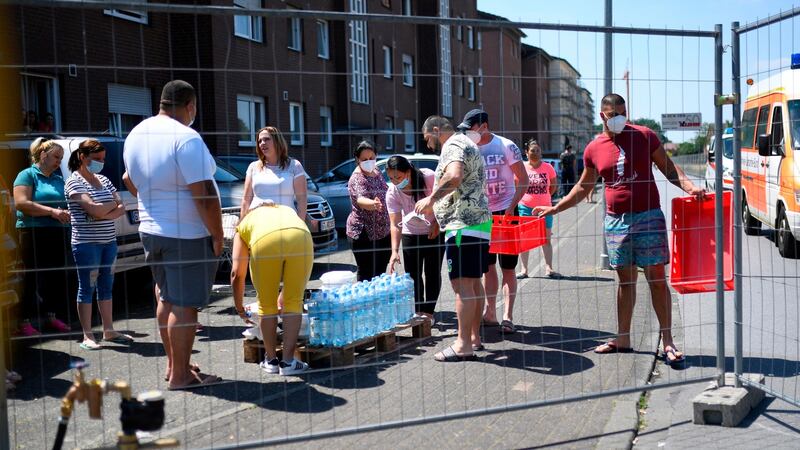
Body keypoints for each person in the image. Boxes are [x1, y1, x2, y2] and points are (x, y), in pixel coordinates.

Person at [534, 93, 703, 366]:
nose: (620, 119)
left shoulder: (645, 135)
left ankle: (668, 341)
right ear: (602, 116)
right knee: (625, 282)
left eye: (623, 113)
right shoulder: (593, 148)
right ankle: (623, 338)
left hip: (648, 216)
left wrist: (689, 187)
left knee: (657, 279)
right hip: (616, 221)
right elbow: (582, 187)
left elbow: (669, 168)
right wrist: (555, 208)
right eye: (614, 115)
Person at [123, 80, 223, 389]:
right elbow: (204, 193)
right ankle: (181, 376)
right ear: (190, 106)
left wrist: (154, 203)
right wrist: (217, 235)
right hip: (186, 235)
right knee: (185, 306)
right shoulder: (186, 138)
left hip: (151, 230)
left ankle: (174, 365)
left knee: (166, 298)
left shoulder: (137, 134)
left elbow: (129, 179)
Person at [415, 116, 491, 362]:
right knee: (474, 283)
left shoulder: (453, 145)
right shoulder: (468, 143)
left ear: (436, 130)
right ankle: (474, 338)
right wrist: (439, 219)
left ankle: (462, 345)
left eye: (428, 138)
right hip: (478, 223)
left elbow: (455, 176)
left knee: (462, 286)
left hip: (462, 226)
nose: (428, 145)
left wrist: (431, 199)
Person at [459, 109, 529, 334]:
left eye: (470, 128)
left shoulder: (506, 146)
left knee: (508, 267)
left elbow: (523, 179)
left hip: (506, 212)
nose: (468, 133)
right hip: (481, 216)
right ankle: (490, 313)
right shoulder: (468, 148)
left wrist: (511, 207)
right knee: (487, 267)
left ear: (483, 126)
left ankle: (508, 317)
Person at [65, 139, 133, 350]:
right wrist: (107, 208)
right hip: (86, 243)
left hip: (108, 241)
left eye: (103, 159)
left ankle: (109, 330)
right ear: (83, 157)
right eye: (96, 159)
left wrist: (102, 210)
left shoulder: (103, 179)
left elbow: (120, 207)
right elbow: (95, 210)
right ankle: (87, 335)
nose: (101, 163)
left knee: (106, 286)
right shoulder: (73, 182)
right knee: (87, 286)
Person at [231, 202, 312, 376]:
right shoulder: (285, 210)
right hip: (301, 235)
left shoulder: (244, 224)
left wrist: (239, 308)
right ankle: (289, 362)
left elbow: (237, 273)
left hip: (265, 241)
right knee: (293, 301)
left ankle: (271, 360)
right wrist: (283, 295)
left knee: (266, 304)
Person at [13, 138, 73, 336]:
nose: (59, 161)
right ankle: (24, 321)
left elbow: (63, 205)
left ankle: (51, 317)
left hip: (55, 232)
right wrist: (52, 212)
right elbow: (21, 203)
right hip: (32, 232)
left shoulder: (58, 179)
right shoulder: (27, 175)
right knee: (31, 277)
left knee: (54, 277)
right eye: (56, 157)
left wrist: (64, 213)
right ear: (43, 154)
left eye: (61, 158)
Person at [385, 155, 443, 325]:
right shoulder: (392, 192)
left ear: (408, 172)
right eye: (391, 178)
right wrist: (394, 251)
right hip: (411, 233)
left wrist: (437, 223)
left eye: (399, 177)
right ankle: (418, 311)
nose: (395, 182)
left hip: (434, 231)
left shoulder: (429, 178)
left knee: (432, 273)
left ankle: (429, 312)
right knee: (413, 275)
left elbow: (447, 200)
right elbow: (395, 224)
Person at [239, 126, 307, 221]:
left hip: (286, 223)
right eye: (260, 141)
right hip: (257, 222)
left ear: (277, 141)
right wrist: (241, 225)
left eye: (266, 139)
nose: (262, 143)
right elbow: (246, 201)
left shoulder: (295, 165)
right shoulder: (253, 167)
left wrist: (301, 224)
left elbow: (302, 200)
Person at [346, 140, 391, 282]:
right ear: (357, 160)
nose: (369, 161)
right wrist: (373, 204)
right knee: (367, 273)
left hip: (382, 231)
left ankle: (377, 301)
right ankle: (365, 302)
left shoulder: (376, 172)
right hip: (363, 234)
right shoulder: (357, 178)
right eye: (364, 159)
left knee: (380, 271)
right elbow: (361, 199)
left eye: (372, 158)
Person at [516, 139, 559, 279]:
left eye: (538, 151)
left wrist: (543, 198)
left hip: (545, 209)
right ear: (526, 152)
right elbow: (517, 186)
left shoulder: (548, 167)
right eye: (532, 151)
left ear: (541, 152)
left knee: (546, 239)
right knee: (525, 239)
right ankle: (524, 269)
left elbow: (553, 187)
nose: (535, 153)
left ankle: (549, 268)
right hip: (525, 208)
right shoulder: (522, 167)